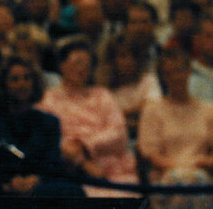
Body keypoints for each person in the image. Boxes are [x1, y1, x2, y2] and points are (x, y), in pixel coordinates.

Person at [37, 36, 140, 198]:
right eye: (77, 62)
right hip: (70, 170)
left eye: (88, 64)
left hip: (112, 168)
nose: (83, 68)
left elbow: (119, 133)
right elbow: (50, 139)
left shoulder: (102, 95)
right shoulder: (47, 99)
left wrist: (85, 145)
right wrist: (81, 162)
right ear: (62, 65)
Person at [0, 56, 85, 198]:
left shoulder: (49, 122)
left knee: (72, 191)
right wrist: (8, 182)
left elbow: (53, 163)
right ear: (3, 85)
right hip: (2, 188)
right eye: (15, 79)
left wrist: (36, 179)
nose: (22, 84)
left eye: (27, 78)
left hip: (38, 188)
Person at [136, 47, 213, 209]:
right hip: (165, 176)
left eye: (180, 70)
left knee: (196, 180)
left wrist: (209, 161)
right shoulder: (153, 110)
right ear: (163, 77)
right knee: (181, 180)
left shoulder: (208, 108)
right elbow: (150, 154)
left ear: (189, 71)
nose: (176, 77)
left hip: (201, 174)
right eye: (169, 73)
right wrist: (181, 168)